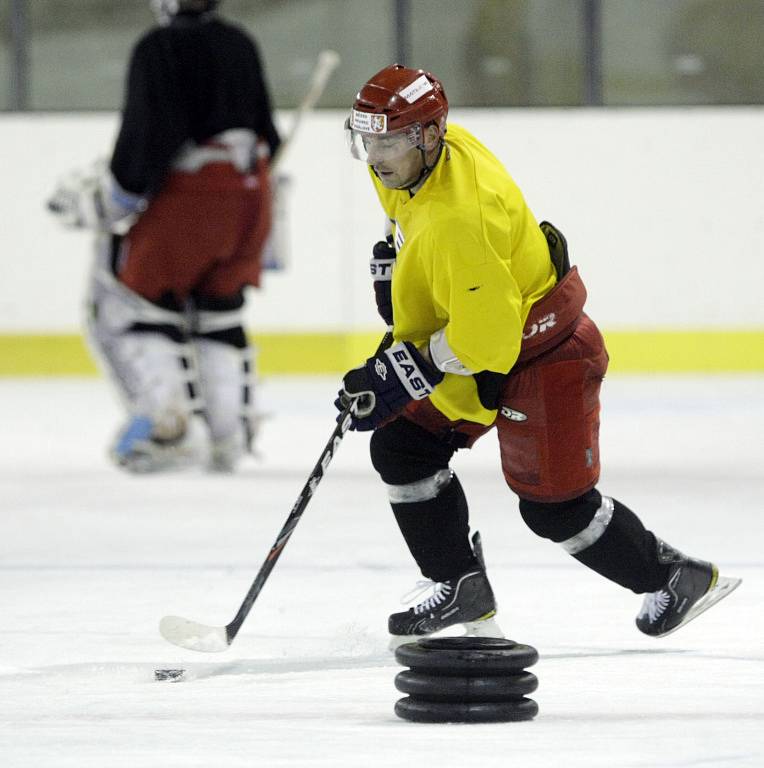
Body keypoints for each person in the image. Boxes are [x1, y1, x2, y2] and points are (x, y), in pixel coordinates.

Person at [336, 64, 741, 645]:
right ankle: (460, 589)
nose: (375, 156)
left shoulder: (461, 220)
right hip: (497, 340)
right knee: (403, 448)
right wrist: (398, 271)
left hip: (542, 357)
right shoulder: (421, 160)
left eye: (388, 140)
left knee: (555, 509)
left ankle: (676, 577)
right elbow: (423, 235)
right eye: (366, 138)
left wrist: (404, 369)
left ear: (427, 136)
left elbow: (486, 341)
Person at [84, 0, 281, 472]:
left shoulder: (158, 48)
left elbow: (146, 136)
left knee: (133, 305)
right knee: (219, 310)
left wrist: (120, 194)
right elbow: (267, 137)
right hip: (252, 199)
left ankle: (166, 427)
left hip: (189, 198)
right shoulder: (239, 41)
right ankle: (230, 434)